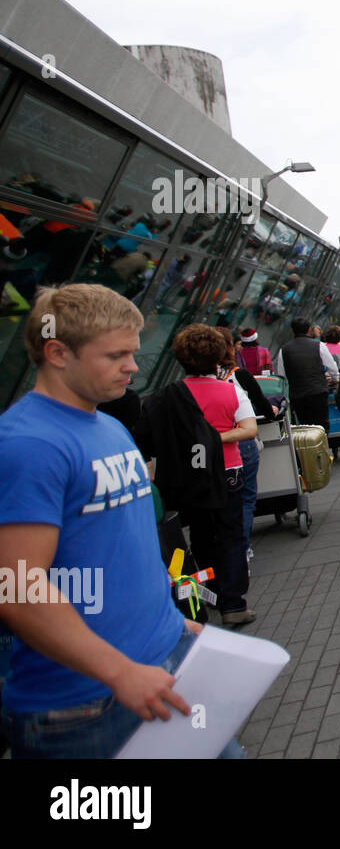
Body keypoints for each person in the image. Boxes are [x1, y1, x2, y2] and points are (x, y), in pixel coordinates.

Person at [0, 284, 243, 759]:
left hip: (159, 661)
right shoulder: (28, 446)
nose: (133, 367)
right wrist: (119, 671)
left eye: (132, 352)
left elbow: (124, 545)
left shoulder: (109, 426)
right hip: (87, 706)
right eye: (116, 355)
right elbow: (18, 589)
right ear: (57, 353)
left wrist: (171, 622)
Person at [141, 324, 259, 623]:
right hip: (228, 472)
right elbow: (249, 429)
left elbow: (149, 439)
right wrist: (216, 437)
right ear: (220, 356)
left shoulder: (168, 396)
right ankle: (234, 605)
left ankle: (209, 594)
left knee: (201, 537)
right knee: (231, 536)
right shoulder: (230, 390)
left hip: (190, 476)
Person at [215, 327, 279, 564]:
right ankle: (241, 548)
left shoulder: (194, 382)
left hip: (207, 450)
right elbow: (259, 407)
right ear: (229, 348)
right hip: (240, 443)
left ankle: (223, 546)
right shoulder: (237, 375)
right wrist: (271, 411)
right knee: (245, 496)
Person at [274, 316, 339, 437]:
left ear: (292, 332)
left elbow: (281, 376)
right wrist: (335, 380)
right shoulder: (319, 346)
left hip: (298, 395)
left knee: (305, 428)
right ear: (309, 330)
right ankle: (324, 449)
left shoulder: (283, 350)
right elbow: (333, 368)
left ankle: (309, 452)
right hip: (318, 392)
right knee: (322, 426)